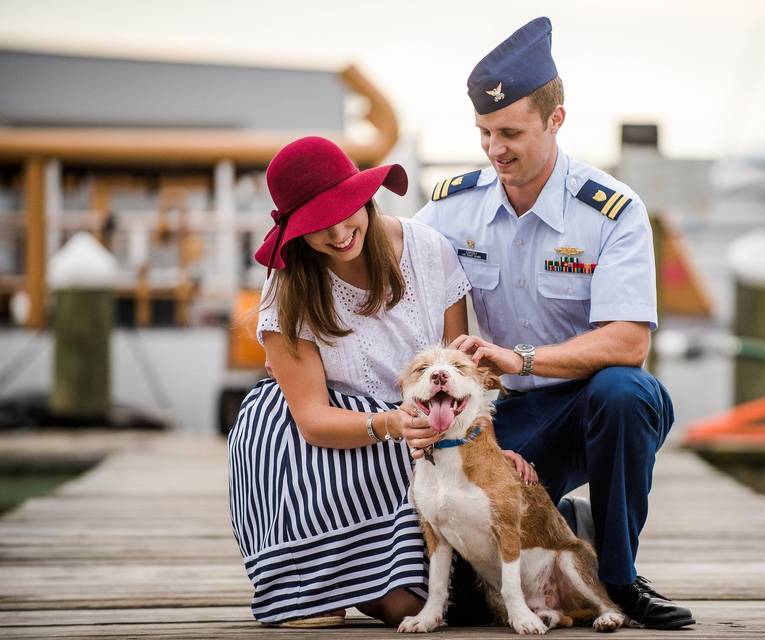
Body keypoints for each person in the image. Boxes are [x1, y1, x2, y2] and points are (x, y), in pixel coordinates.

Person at [412, 17, 696, 630]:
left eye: (511, 132)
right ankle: (557, 517)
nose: (494, 149)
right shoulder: (451, 207)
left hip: (583, 409)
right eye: (484, 132)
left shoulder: (611, 212)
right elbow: (392, 264)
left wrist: (524, 357)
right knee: (452, 600)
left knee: (628, 393)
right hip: (494, 419)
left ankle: (619, 577)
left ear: (556, 119)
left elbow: (630, 340)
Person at [227, 136, 474, 627]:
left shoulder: (428, 250)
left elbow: (459, 372)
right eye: (319, 225)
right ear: (296, 232)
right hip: (317, 446)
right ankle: (318, 578)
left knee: (430, 600)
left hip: (422, 428)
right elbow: (313, 419)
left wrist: (475, 439)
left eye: (347, 212)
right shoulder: (289, 286)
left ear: (365, 198)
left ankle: (565, 520)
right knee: (373, 609)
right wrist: (387, 425)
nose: (340, 233)